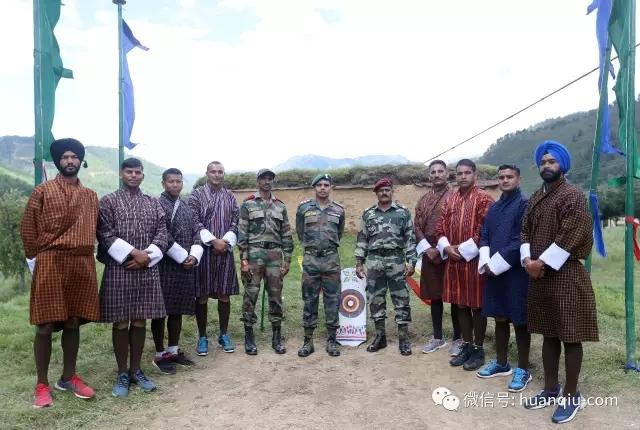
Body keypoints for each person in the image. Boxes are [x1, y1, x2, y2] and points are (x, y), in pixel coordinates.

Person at [521, 141, 598, 424]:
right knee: (548, 333)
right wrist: (527, 261)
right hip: (538, 276)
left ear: (562, 165)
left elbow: (571, 234)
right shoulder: (535, 197)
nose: (546, 166)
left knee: (570, 335)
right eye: (543, 162)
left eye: (551, 161)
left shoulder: (573, 196)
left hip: (566, 275)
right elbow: (524, 231)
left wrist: (540, 264)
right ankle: (550, 388)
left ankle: (571, 395)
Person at [20, 138, 100, 408]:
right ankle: (42, 384)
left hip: (81, 262)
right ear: (57, 161)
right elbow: (28, 229)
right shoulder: (42, 192)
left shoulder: (90, 196)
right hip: (50, 261)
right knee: (45, 324)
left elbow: (96, 229)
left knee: (73, 320)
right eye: (65, 157)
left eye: (74, 157)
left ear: (80, 160)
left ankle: (68, 377)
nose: (70, 161)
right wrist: (37, 261)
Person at [97, 157, 168, 398]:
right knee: (120, 322)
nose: (133, 175)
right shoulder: (108, 201)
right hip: (119, 268)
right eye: (129, 171)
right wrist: (133, 253)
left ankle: (136, 370)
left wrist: (145, 257)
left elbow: (162, 233)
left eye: (137, 172)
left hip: (146, 267)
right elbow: (105, 234)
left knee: (139, 320)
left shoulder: (153, 203)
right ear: (121, 174)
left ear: (143, 175)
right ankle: (122, 373)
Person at [476, 165, 532, 392]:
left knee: (519, 320)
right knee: (499, 316)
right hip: (493, 271)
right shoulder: (494, 207)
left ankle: (523, 368)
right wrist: (485, 262)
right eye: (501, 177)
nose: (505, 180)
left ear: (519, 179)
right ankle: (501, 362)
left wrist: (496, 264)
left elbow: (521, 239)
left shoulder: (524, 204)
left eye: (510, 177)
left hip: (515, 271)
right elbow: (485, 235)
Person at [436, 159, 494, 371]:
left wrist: (462, 250)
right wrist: (446, 247)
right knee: (460, 305)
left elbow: (485, 230)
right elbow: (440, 228)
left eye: (467, 173)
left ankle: (478, 349)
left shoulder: (484, 198)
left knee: (477, 306)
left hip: (474, 261)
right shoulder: (450, 200)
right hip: (453, 261)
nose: (463, 176)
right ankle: (467, 346)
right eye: (459, 173)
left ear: (475, 175)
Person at [355, 177, 417, 356]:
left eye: (387, 190)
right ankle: (380, 336)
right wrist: (359, 262)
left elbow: (410, 239)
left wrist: (411, 261)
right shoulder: (368, 214)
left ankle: (403, 339)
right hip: (374, 260)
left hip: (396, 260)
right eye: (381, 190)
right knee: (375, 299)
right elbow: (362, 239)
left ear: (392, 192)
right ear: (376, 193)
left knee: (401, 299)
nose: (384, 193)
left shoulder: (402, 212)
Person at [150, 168, 202, 374]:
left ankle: (172, 350)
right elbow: (161, 233)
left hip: (185, 265)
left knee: (177, 309)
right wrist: (181, 256)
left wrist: (194, 256)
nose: (175, 184)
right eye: (170, 181)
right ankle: (159, 353)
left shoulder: (187, 206)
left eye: (178, 181)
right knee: (160, 311)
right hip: (164, 264)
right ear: (163, 183)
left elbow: (197, 230)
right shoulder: (156, 204)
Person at [237, 168, 294, 355]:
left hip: (274, 255)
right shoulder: (248, 204)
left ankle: (277, 337)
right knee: (251, 294)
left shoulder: (280, 206)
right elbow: (242, 234)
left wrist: (287, 259)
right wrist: (244, 261)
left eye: (270, 178)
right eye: (263, 178)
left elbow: (286, 234)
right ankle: (249, 336)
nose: (267, 181)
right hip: (254, 254)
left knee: (276, 296)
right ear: (258, 181)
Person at [188, 161, 240, 355]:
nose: (217, 175)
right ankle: (202, 336)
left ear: (223, 174)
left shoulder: (230, 196)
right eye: (213, 171)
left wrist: (224, 242)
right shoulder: (197, 195)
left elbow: (236, 221)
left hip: (224, 250)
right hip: (204, 251)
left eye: (220, 172)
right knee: (201, 295)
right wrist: (212, 241)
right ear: (207, 173)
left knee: (224, 293)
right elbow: (193, 220)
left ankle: (224, 334)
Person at [413, 160, 462, 356]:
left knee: (455, 297)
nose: (437, 174)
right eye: (433, 172)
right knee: (435, 296)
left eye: (440, 171)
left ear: (447, 173)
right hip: (429, 253)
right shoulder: (423, 199)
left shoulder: (455, 196)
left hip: (449, 251)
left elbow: (457, 225)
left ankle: (458, 338)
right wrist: (427, 249)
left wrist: (442, 248)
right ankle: (437, 337)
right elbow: (417, 226)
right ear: (429, 176)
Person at [296, 173, 345, 357]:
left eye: (326, 185)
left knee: (332, 300)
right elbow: (300, 232)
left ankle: (332, 341)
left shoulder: (338, 210)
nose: (323, 188)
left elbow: (339, 233)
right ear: (314, 187)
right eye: (319, 185)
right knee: (310, 300)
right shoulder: (303, 209)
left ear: (330, 187)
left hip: (331, 260)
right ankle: (308, 341)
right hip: (311, 260)